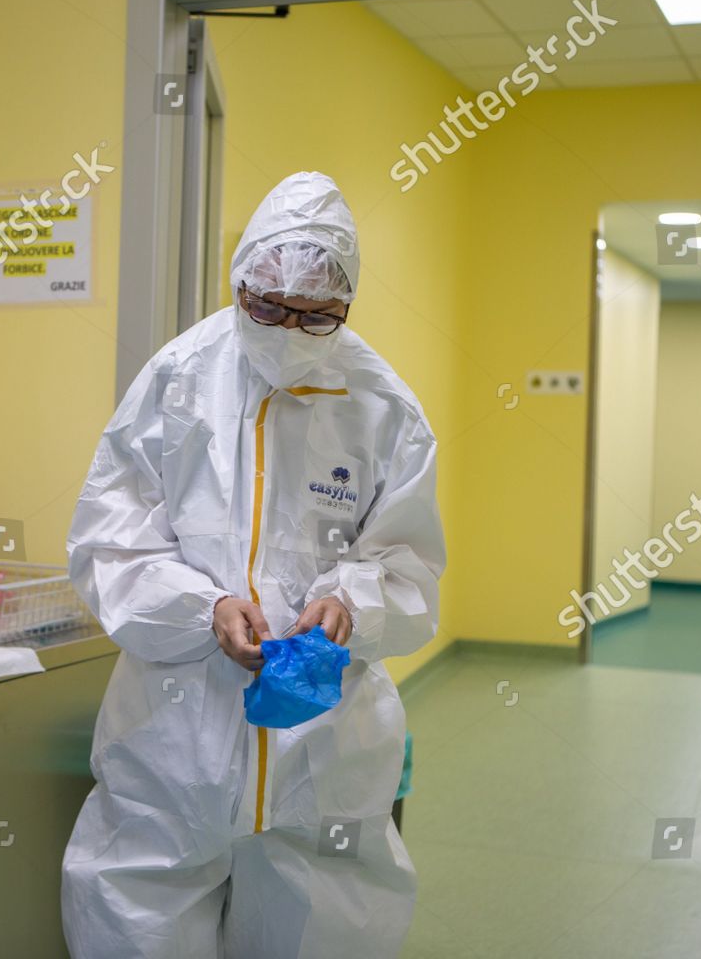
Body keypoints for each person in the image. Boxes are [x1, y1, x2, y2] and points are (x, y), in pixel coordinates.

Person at [60, 171, 445, 958]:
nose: (285, 329)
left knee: (324, 925)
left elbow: (409, 567)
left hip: (324, 744)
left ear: (347, 303)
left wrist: (353, 604)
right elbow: (109, 538)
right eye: (265, 306)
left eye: (315, 315)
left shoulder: (384, 409)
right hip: (173, 728)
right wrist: (200, 608)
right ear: (239, 281)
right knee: (139, 917)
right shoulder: (177, 379)